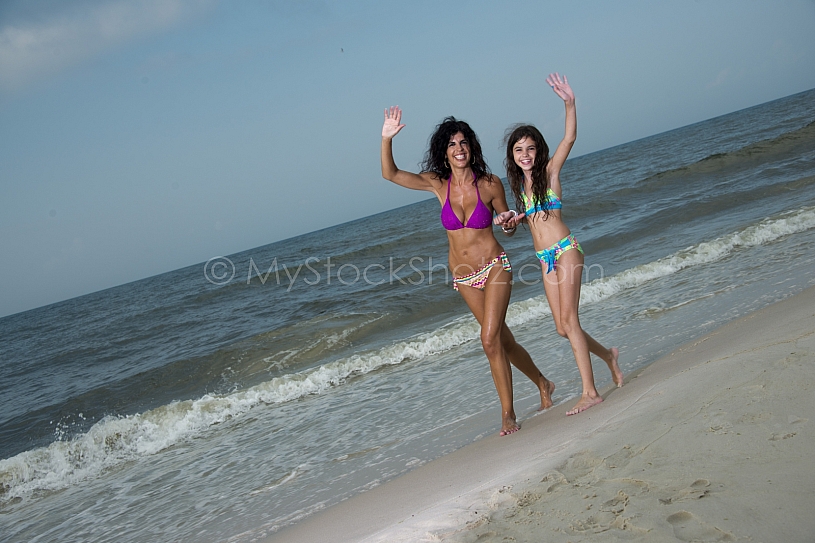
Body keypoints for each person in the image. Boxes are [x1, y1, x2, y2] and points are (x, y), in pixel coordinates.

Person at [381, 106, 555, 436]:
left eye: (463, 142)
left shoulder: (489, 184)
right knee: (503, 341)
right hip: (464, 278)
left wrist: (507, 223)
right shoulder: (437, 184)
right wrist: (386, 139)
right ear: (444, 153)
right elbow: (390, 174)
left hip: (494, 267)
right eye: (452, 145)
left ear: (471, 147)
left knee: (489, 339)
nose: (459, 149)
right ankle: (543, 383)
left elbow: (507, 224)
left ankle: (507, 414)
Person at [495, 73, 624, 416]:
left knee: (571, 319)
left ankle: (590, 392)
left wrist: (569, 103)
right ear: (512, 155)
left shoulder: (550, 172)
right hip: (544, 258)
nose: (525, 154)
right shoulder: (519, 190)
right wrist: (509, 223)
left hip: (566, 250)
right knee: (561, 328)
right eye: (519, 150)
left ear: (539, 151)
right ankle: (609, 357)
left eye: (530, 148)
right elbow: (522, 228)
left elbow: (569, 137)